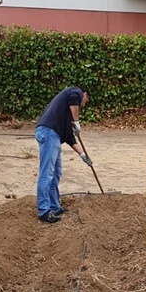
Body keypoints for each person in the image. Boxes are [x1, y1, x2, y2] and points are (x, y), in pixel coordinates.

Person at [35, 86, 92, 223]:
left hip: (53, 136)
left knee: (56, 173)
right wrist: (77, 123)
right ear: (84, 94)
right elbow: (74, 96)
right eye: (85, 100)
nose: (83, 103)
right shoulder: (75, 92)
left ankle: (54, 207)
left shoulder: (65, 116)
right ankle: (44, 211)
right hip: (49, 133)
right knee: (47, 174)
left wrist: (83, 155)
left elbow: (70, 138)